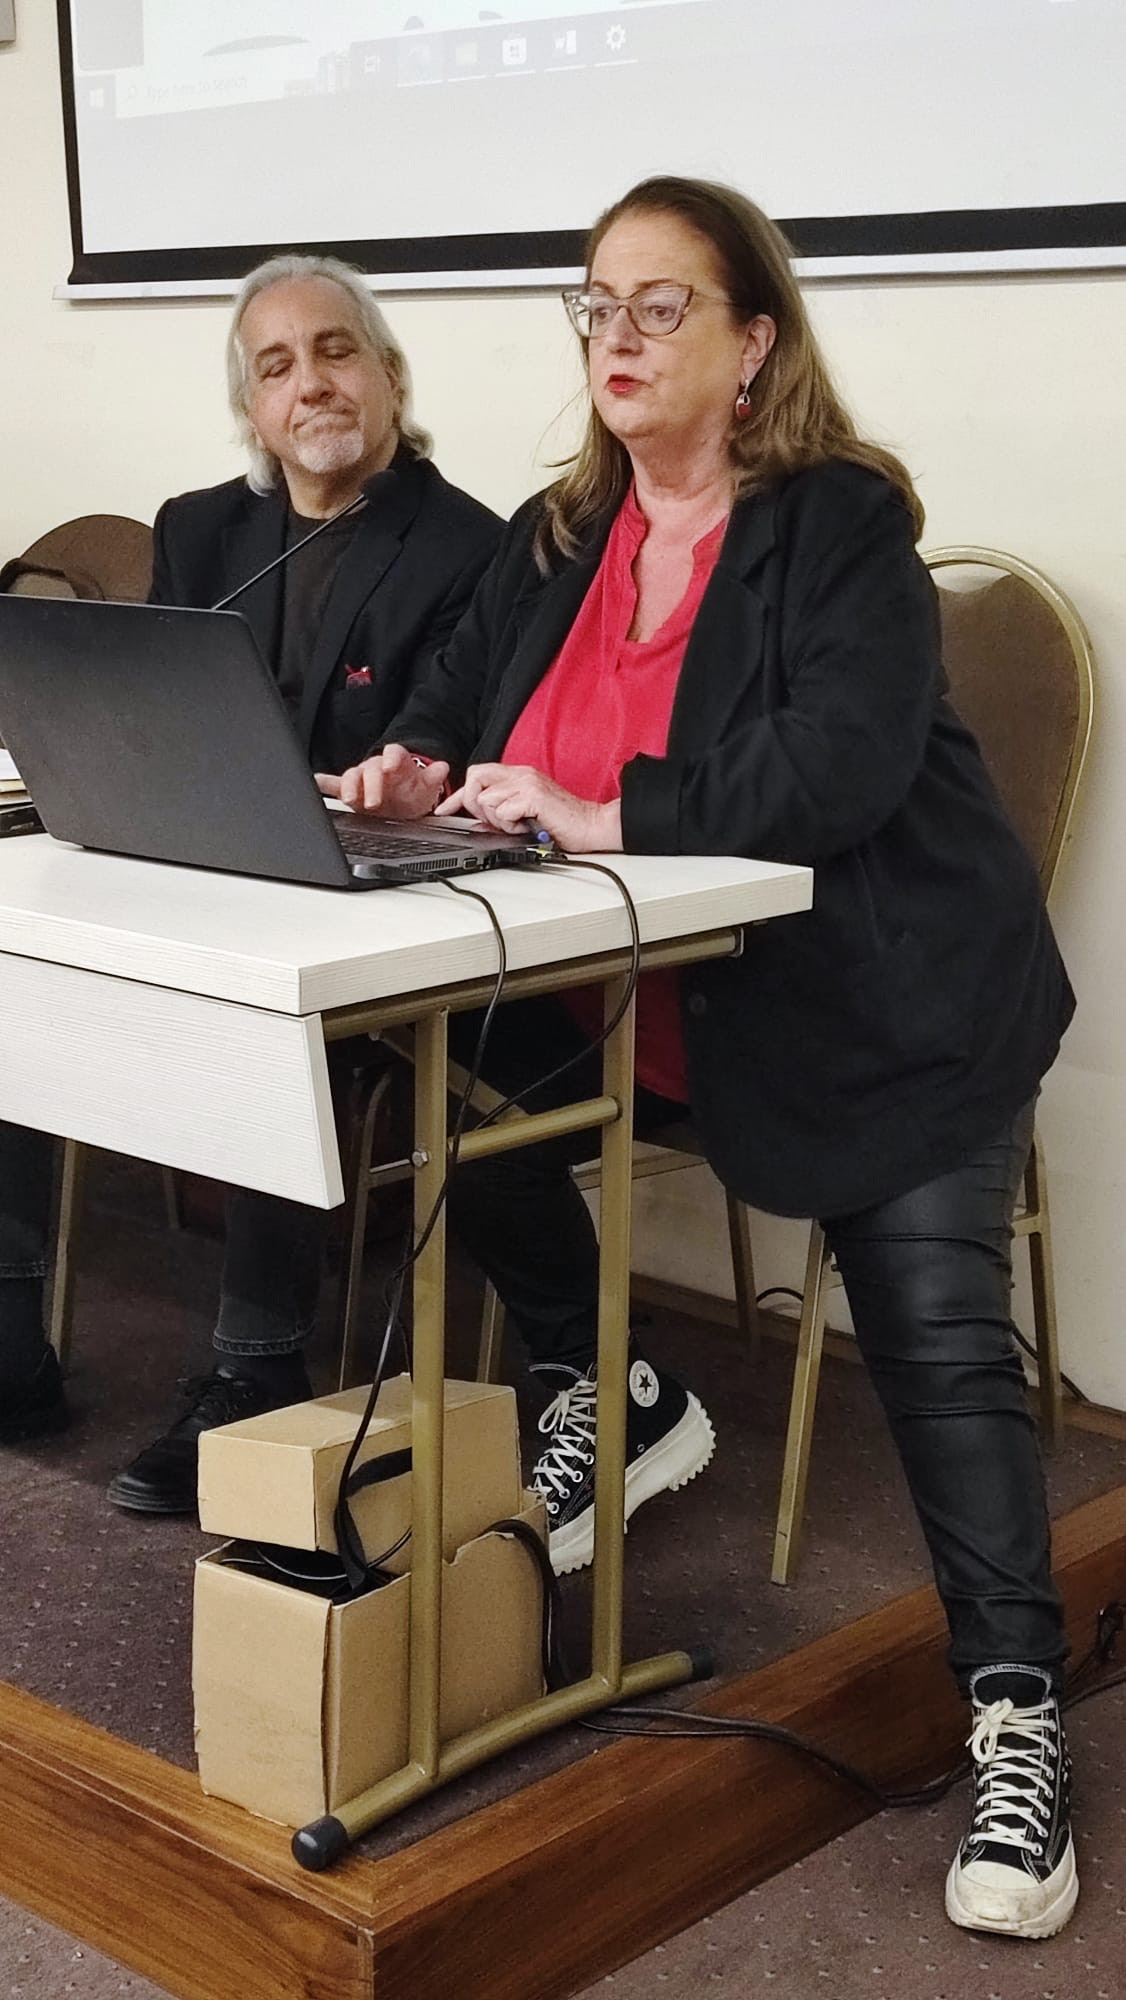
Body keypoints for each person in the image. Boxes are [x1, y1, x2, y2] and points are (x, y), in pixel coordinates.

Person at [318, 178, 1079, 1940]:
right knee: (438, 1075)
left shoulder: (840, 529)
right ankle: (626, 1395)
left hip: (886, 997)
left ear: (752, 344)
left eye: (661, 307)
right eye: (596, 305)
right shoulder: (559, 535)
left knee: (937, 1337)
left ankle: (1016, 1715)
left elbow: (842, 763)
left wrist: (598, 811)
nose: (618, 338)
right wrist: (417, 768)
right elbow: (457, 694)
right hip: (656, 989)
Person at [0, 254, 501, 1514]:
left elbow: (439, 739)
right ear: (252, 411)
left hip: (354, 920)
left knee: (272, 1021)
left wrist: (399, 774)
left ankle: (255, 1369)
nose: (310, 382)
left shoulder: (472, 547)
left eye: (335, 350)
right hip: (190, 876)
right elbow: (159, 724)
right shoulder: (200, 529)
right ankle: (10, 1348)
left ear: (389, 376)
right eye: (276, 366)